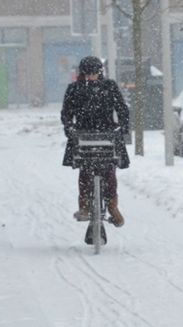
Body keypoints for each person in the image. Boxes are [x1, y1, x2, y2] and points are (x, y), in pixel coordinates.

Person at [61, 56, 130, 227]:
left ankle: (113, 206)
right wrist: (69, 128)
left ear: (100, 72)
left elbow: (122, 109)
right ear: (81, 73)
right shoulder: (75, 89)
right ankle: (84, 206)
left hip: (105, 134)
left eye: (93, 73)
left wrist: (123, 127)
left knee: (109, 171)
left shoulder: (108, 86)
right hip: (84, 134)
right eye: (87, 73)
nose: (90, 77)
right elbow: (66, 113)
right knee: (85, 170)